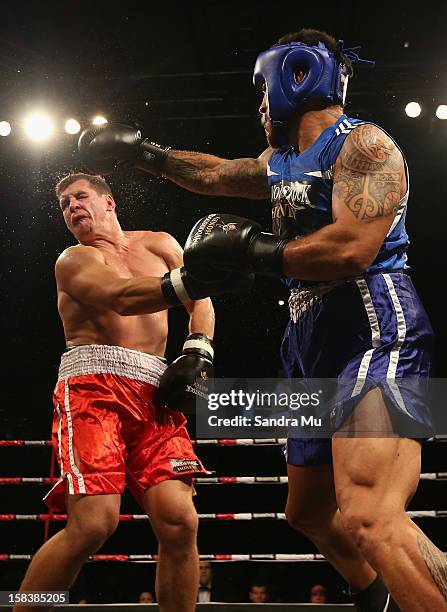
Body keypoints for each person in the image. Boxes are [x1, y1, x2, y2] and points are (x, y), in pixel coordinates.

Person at [77, 28, 447, 612]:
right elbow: (219, 175)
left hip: (373, 323)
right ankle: (375, 591)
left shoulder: (366, 148)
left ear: (292, 78)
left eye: (262, 91)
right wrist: (145, 155)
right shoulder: (283, 162)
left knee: (372, 515)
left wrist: (250, 252)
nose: (259, 105)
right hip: (308, 334)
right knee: (308, 513)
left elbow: (352, 247)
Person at [13, 172, 253, 612]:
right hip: (92, 389)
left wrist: (199, 350)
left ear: (109, 201)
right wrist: (200, 280)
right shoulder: (74, 260)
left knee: (181, 521)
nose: (71, 207)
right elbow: (122, 296)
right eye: (64, 204)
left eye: (80, 197)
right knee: (93, 525)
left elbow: (199, 303)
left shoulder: (159, 243)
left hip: (154, 390)